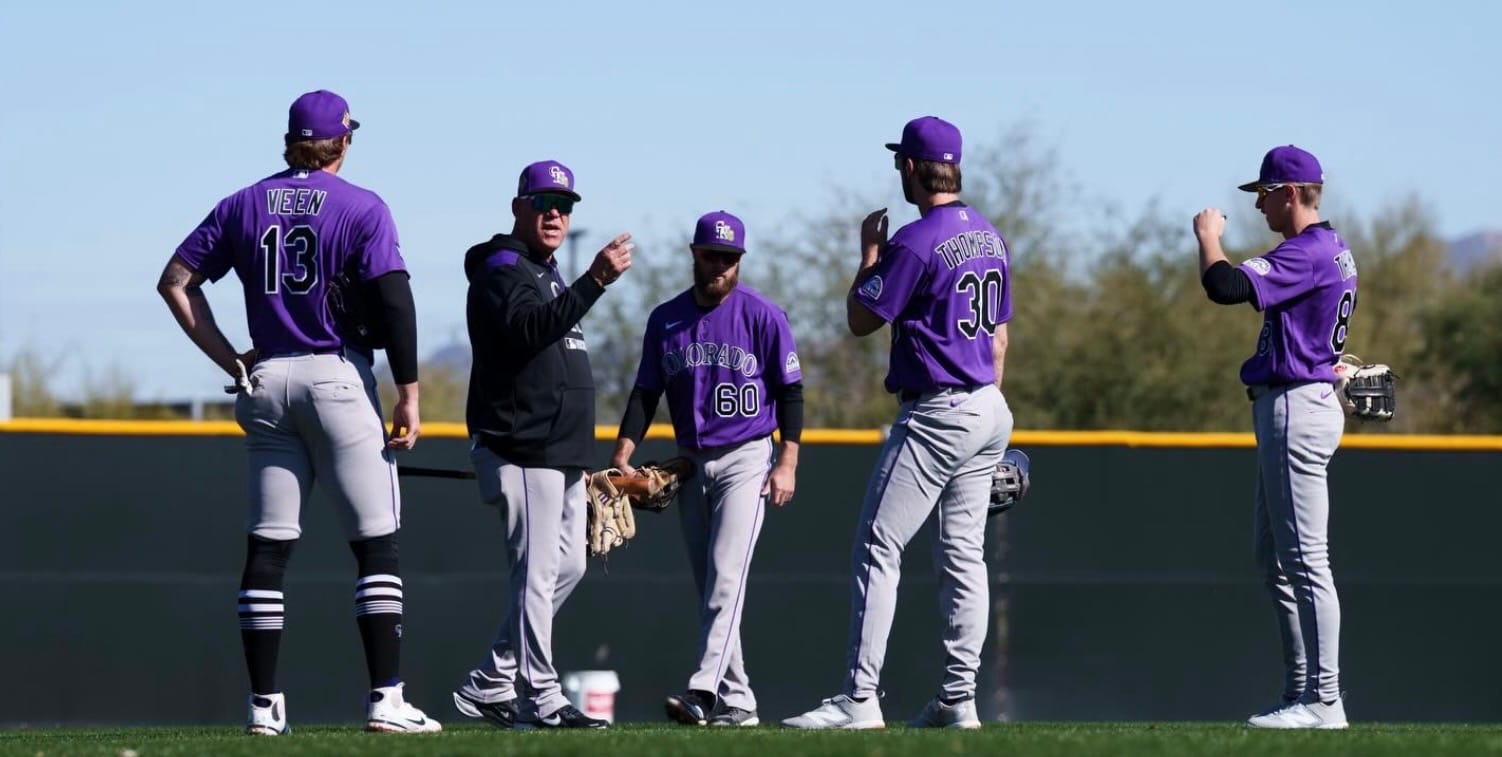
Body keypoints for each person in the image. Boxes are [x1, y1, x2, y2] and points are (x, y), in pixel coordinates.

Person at [157, 89, 439, 734]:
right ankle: (387, 700)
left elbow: (175, 280)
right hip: (334, 374)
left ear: (291, 140)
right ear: (343, 140)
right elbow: (395, 302)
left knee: (269, 546)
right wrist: (410, 393)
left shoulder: (243, 202)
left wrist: (231, 361)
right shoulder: (362, 205)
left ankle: (263, 708)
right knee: (376, 544)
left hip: (266, 379)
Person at [782, 116, 1014, 730]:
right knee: (965, 556)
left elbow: (861, 319)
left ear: (911, 167)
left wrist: (868, 257)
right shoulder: (990, 236)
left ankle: (859, 700)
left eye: (899, 163)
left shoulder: (915, 240)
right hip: (988, 404)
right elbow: (998, 338)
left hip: (939, 409)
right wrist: (987, 415)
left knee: (878, 547)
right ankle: (958, 698)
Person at [451, 160, 633, 730]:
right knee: (534, 573)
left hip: (561, 450)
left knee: (569, 566)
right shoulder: (503, 268)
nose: (557, 213)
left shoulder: (545, 271)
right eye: (544, 202)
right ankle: (542, 694)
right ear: (518, 207)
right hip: (520, 443)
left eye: (566, 204)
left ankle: (491, 679)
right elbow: (529, 331)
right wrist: (595, 281)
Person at [608, 210, 804, 728]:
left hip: (747, 457)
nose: (721, 265)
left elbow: (790, 392)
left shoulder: (763, 315)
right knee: (713, 587)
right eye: (712, 255)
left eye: (730, 257)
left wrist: (788, 461)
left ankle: (704, 692)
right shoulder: (665, 318)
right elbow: (646, 391)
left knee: (725, 580)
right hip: (689, 464)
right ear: (694, 253)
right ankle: (740, 701)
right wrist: (623, 451)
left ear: (740, 260)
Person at [1194, 145, 1354, 730]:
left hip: (1295, 406)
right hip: (1301, 398)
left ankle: (1324, 700)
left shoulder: (1308, 251)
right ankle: (1302, 691)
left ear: (1290, 193)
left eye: (1263, 193)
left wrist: (1208, 236)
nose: (1258, 204)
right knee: (1277, 560)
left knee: (1307, 561)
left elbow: (1225, 286)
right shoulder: (1334, 248)